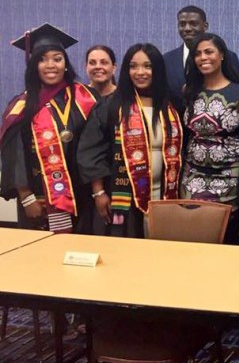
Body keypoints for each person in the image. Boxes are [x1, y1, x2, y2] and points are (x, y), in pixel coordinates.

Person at [78, 43, 183, 237]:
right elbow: (91, 151)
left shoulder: (172, 104)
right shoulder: (112, 105)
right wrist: (98, 193)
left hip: (165, 195)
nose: (140, 72)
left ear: (157, 69)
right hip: (123, 194)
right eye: (133, 66)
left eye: (147, 66)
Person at [1, 24, 98, 233]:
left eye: (57, 58)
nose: (50, 65)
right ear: (33, 65)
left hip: (79, 195)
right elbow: (13, 152)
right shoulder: (22, 104)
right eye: (42, 59)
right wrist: (26, 197)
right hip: (36, 195)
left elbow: (96, 146)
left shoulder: (85, 98)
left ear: (65, 64)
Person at [181, 33, 239, 244]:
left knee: (225, 242)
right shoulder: (188, 91)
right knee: (192, 242)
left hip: (229, 180)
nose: (203, 57)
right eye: (198, 53)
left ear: (221, 55)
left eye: (209, 51)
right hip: (192, 178)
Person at [163, 5, 239, 110]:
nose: (187, 29)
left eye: (193, 24)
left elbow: (235, 93)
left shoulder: (229, 56)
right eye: (182, 24)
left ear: (205, 26)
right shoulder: (166, 60)